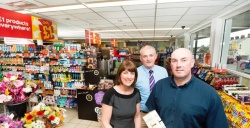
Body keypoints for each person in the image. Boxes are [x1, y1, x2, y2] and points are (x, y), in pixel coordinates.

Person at [146, 48, 229, 128]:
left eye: (184, 60)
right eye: (174, 61)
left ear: (192, 63)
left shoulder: (209, 95)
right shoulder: (160, 86)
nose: (178, 65)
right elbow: (151, 114)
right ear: (170, 63)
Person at [101, 60, 141, 128]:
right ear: (119, 74)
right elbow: (105, 122)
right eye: (125, 73)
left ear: (135, 76)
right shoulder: (110, 94)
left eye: (132, 73)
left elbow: (137, 117)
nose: (129, 77)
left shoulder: (136, 93)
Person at [136, 45, 168, 128]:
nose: (148, 59)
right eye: (145, 56)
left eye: (151, 55)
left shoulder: (163, 71)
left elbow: (167, 91)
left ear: (155, 56)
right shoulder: (135, 72)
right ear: (141, 58)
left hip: (158, 115)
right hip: (141, 115)